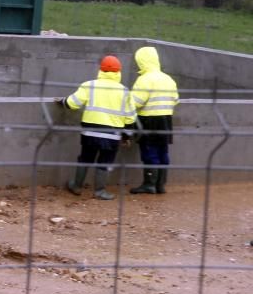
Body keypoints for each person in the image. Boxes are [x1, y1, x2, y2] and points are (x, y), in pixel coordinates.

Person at [55, 55, 137, 200]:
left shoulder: (89, 85)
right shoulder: (124, 91)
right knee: (105, 162)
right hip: (112, 135)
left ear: (101, 70)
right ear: (119, 72)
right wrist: (126, 136)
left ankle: (76, 186)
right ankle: (99, 191)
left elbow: (72, 103)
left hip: (90, 133)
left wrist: (62, 101)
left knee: (85, 158)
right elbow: (130, 117)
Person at [129, 46, 179, 194]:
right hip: (166, 120)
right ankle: (160, 184)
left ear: (141, 61)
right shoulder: (168, 79)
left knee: (150, 152)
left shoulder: (144, 80)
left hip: (148, 120)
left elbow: (135, 102)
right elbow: (175, 99)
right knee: (163, 152)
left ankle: (149, 184)